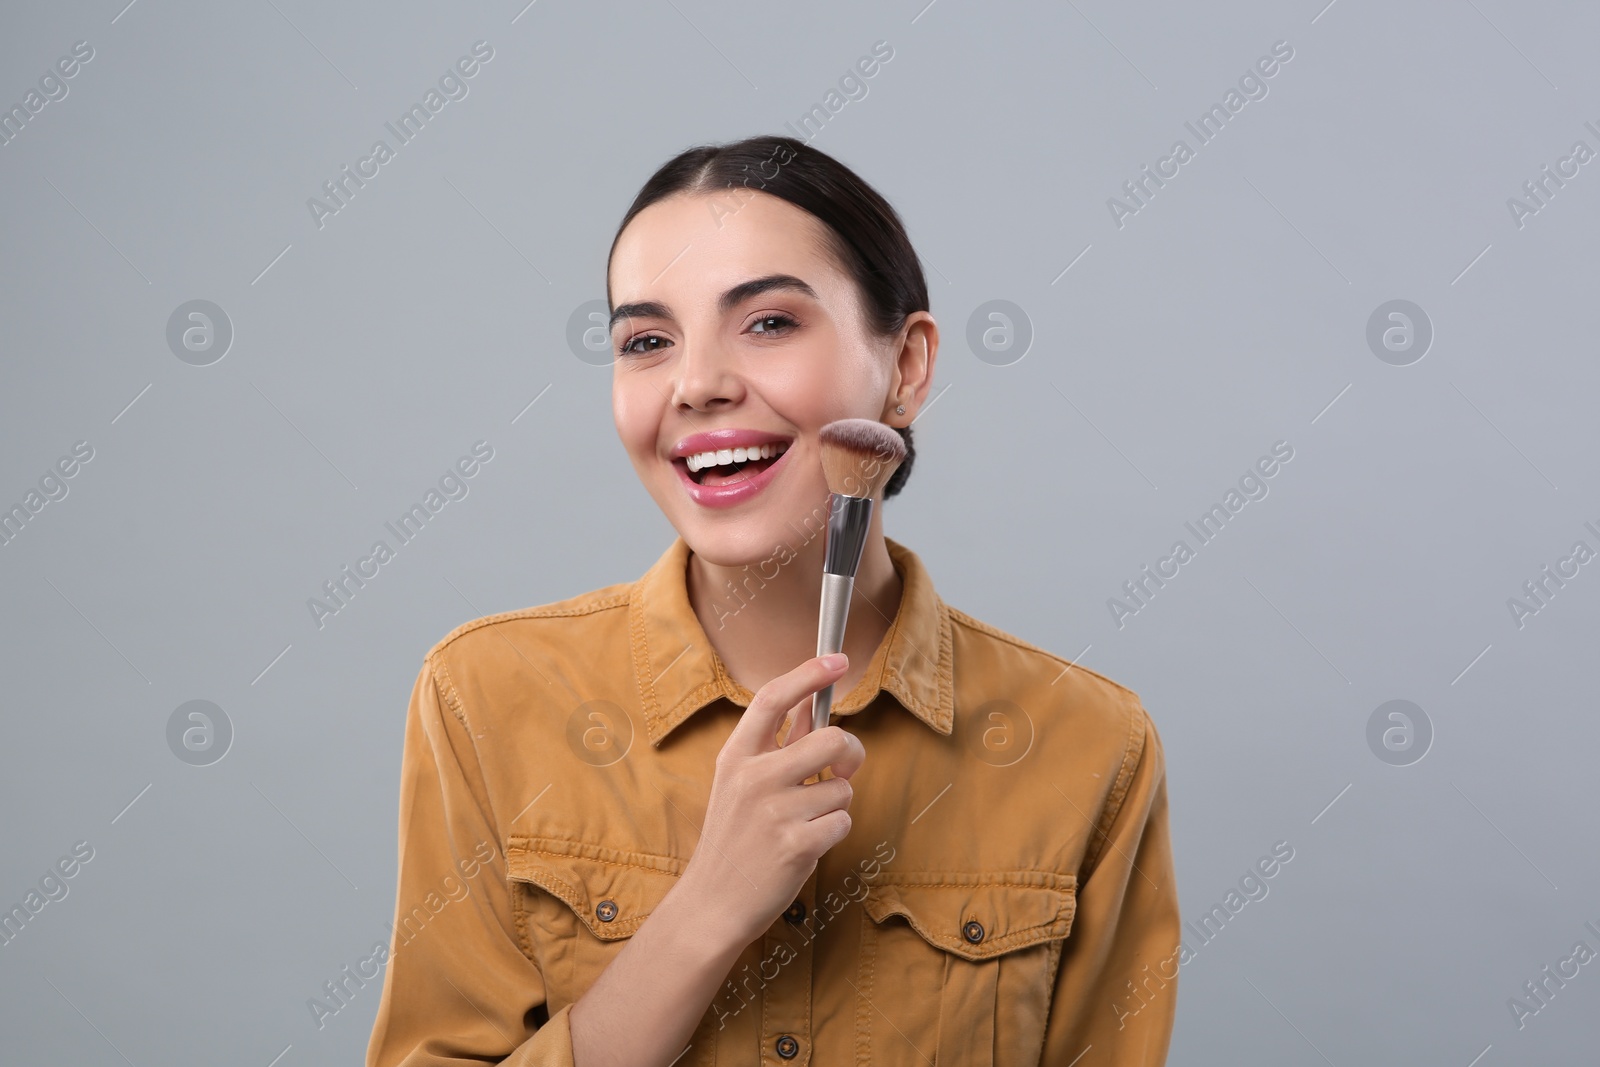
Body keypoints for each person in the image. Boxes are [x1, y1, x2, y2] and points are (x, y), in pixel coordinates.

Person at [367, 135, 1179, 1067]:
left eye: (769, 323)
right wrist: (707, 910)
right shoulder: (487, 696)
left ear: (907, 368)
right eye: (646, 341)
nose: (699, 382)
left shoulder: (1090, 743)